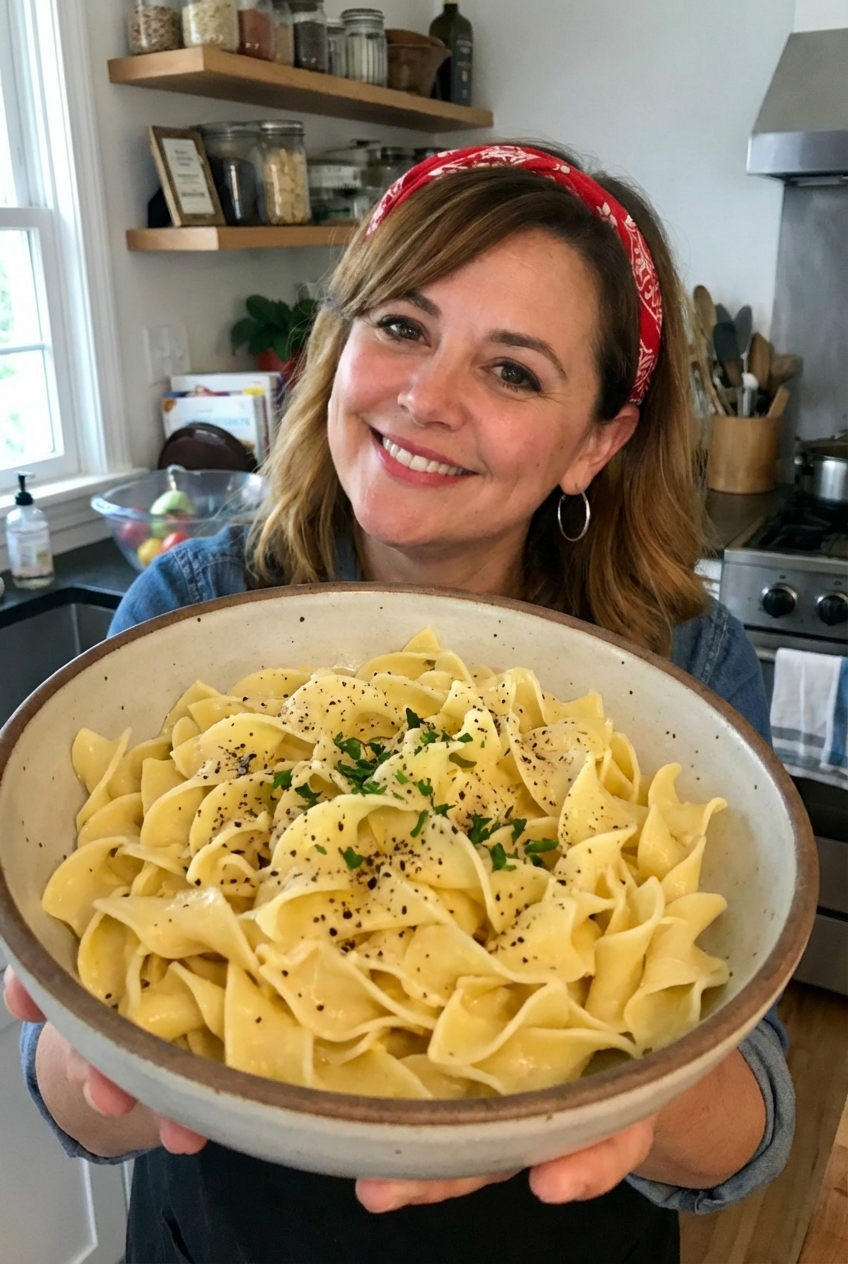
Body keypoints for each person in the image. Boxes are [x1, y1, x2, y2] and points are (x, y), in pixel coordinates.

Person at [5, 145, 793, 1264]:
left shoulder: (678, 662)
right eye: (402, 327)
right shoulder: (187, 606)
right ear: (340, 347)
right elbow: (66, 1089)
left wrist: (602, 1103)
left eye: (513, 371)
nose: (426, 398)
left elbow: (753, 1122)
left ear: (597, 442)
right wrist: (104, 1076)